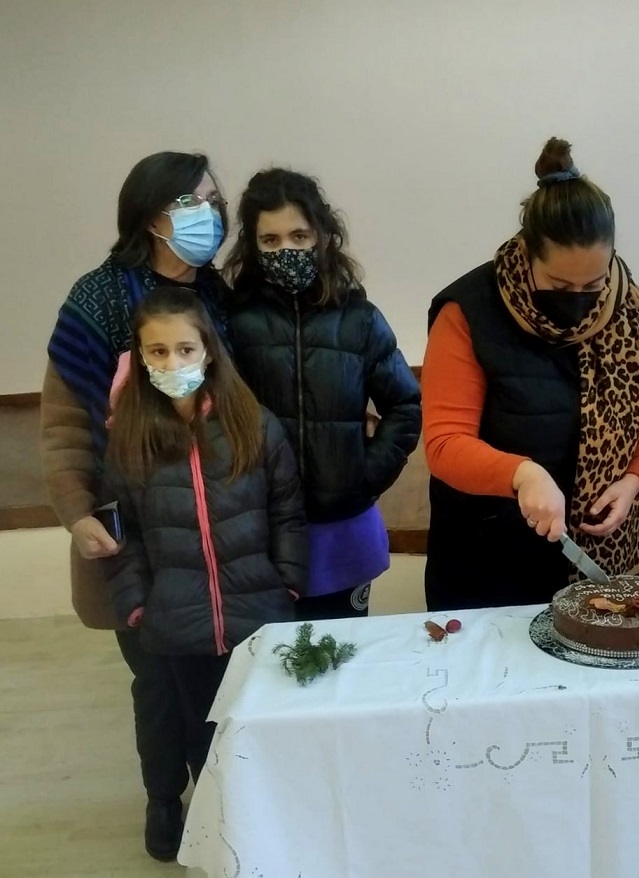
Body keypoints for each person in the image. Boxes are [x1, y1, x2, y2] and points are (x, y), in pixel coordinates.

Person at [40, 151, 229, 861]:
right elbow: (64, 425)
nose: (210, 214)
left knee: (213, 682)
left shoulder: (220, 296)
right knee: (156, 683)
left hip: (216, 531)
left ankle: (219, 804)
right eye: (191, 202)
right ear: (151, 214)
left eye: (214, 200)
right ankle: (164, 802)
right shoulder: (98, 299)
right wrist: (78, 513)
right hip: (134, 536)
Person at [421, 138, 639, 611]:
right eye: (559, 284)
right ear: (527, 253)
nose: (579, 298)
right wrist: (522, 474)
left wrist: (633, 481)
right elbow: (444, 444)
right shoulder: (469, 311)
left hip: (598, 553)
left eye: (593, 283)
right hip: (487, 560)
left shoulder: (628, 306)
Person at [101, 286, 306, 817]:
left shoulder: (252, 423)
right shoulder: (130, 437)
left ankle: (262, 825)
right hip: (179, 622)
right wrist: (140, 604)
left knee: (256, 728)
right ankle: (212, 826)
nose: (173, 362)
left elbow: (286, 509)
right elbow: (124, 534)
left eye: (185, 349)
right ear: (140, 356)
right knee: (201, 734)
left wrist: (286, 582)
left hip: (256, 612)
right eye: (158, 351)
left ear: (208, 350)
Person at [224, 168, 421, 620]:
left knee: (341, 653)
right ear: (252, 246)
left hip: (344, 529)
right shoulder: (234, 321)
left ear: (324, 236)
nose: (286, 250)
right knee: (272, 655)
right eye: (270, 240)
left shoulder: (360, 319)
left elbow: (405, 405)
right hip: (262, 528)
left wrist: (364, 476)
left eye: (299, 236)